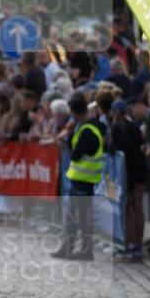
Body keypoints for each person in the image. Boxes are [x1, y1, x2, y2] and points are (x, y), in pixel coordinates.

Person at [51, 91, 105, 261]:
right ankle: (67, 248)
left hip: (85, 181)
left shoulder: (88, 130)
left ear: (73, 112)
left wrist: (67, 141)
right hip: (78, 180)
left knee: (83, 218)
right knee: (72, 216)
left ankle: (86, 251)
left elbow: (76, 154)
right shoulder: (83, 127)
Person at [110, 98, 146, 260]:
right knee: (137, 206)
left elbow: (113, 148)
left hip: (127, 170)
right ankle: (137, 243)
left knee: (128, 207)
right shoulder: (134, 127)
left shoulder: (116, 128)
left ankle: (131, 242)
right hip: (139, 168)